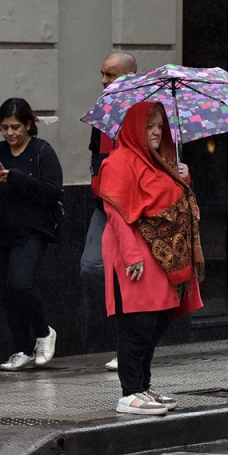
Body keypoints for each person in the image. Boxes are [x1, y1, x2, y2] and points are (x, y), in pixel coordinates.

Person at [98, 101, 203, 415]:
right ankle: (129, 391)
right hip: (133, 251)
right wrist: (131, 255)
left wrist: (184, 176)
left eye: (160, 125)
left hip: (161, 256)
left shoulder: (159, 161)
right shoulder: (118, 162)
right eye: (150, 126)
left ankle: (142, 385)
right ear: (134, 128)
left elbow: (172, 201)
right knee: (138, 322)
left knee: (157, 319)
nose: (157, 132)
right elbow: (115, 213)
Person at [0, 97, 64, 371]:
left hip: (32, 230)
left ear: (28, 125)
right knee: (7, 292)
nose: (10, 133)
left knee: (20, 284)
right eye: (4, 127)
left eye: (15, 127)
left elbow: (52, 190)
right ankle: (21, 349)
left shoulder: (41, 152)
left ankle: (44, 332)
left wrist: (17, 177)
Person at [84, 51, 138, 372]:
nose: (104, 81)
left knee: (130, 275)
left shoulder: (146, 113)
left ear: (129, 78)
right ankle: (128, 335)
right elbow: (95, 155)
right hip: (105, 203)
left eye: (111, 75)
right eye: (102, 74)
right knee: (92, 268)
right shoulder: (101, 112)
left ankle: (129, 345)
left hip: (135, 207)